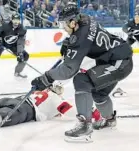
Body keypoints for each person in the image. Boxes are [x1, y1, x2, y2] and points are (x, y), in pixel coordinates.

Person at [31, 3, 133, 142]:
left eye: (64, 24)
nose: (63, 28)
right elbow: (85, 41)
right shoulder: (85, 18)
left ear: (73, 22)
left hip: (119, 62)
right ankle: (109, 120)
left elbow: (69, 70)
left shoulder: (80, 38)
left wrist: (46, 77)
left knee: (81, 80)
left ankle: (85, 126)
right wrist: (68, 43)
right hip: (117, 58)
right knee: (99, 93)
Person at [0, 85, 102, 136]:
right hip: (25, 110)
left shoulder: (38, 91)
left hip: (12, 100)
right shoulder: (57, 99)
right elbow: (71, 111)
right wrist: (93, 112)